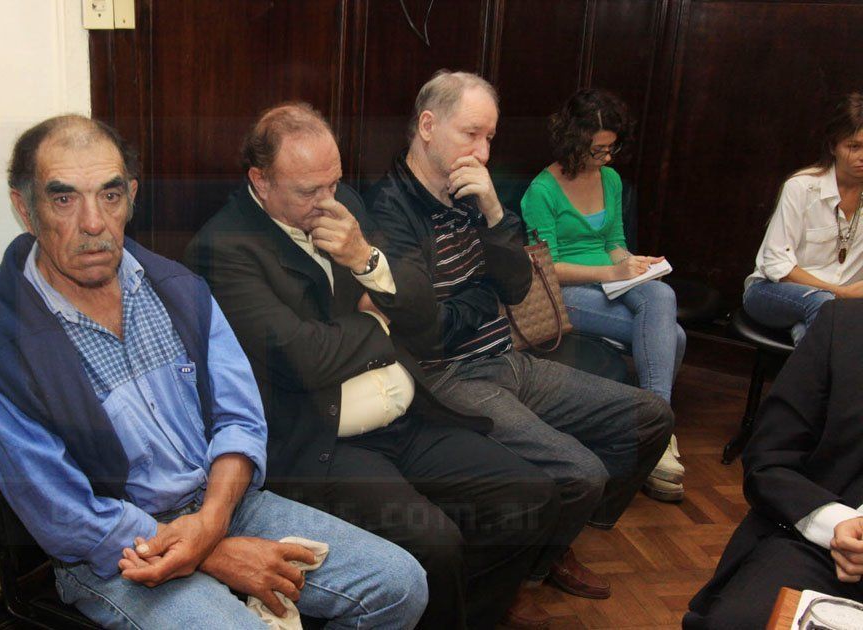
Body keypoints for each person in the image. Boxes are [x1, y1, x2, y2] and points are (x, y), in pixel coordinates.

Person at [0, 114, 429, 629]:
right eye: (64, 199)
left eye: (110, 195)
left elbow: (240, 418)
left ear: (131, 196)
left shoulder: (177, 289)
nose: (93, 223)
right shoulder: (3, 357)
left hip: (224, 502)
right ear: (25, 208)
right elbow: (65, 518)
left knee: (400, 585)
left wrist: (211, 524)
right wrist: (213, 552)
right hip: (113, 553)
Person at [186, 102, 561, 629]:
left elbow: (424, 310)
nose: (326, 202)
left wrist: (365, 257)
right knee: (435, 542)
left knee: (530, 495)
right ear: (260, 180)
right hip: (325, 440)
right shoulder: (223, 248)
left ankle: (462, 614)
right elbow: (302, 359)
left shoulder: (345, 206)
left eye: (333, 183)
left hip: (406, 416)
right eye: (308, 191)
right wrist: (378, 322)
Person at [366, 70, 674, 604]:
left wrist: (492, 210)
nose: (483, 152)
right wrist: (485, 294)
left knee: (651, 417)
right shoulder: (390, 209)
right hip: (449, 376)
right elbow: (428, 329)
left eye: (490, 137)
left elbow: (518, 285)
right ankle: (533, 565)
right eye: (472, 134)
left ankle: (551, 543)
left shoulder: (471, 191)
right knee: (581, 471)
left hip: (506, 356)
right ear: (428, 126)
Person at [520, 88, 687, 503]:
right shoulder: (541, 191)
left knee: (661, 296)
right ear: (572, 141)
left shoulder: (609, 180)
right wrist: (611, 272)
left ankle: (652, 428)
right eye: (597, 150)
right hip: (567, 292)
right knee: (674, 336)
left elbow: (614, 243)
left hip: (612, 281)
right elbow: (548, 268)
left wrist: (635, 264)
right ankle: (659, 434)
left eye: (612, 149)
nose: (606, 158)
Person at [684, 300, 863, 629]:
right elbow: (770, 457)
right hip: (819, 548)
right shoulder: (844, 326)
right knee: (737, 622)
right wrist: (837, 522)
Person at [744, 92, 863, 344]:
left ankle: (810, 371)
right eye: (854, 147)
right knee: (824, 305)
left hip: (838, 307)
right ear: (833, 146)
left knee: (813, 327)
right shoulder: (802, 188)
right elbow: (777, 264)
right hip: (771, 291)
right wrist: (839, 293)